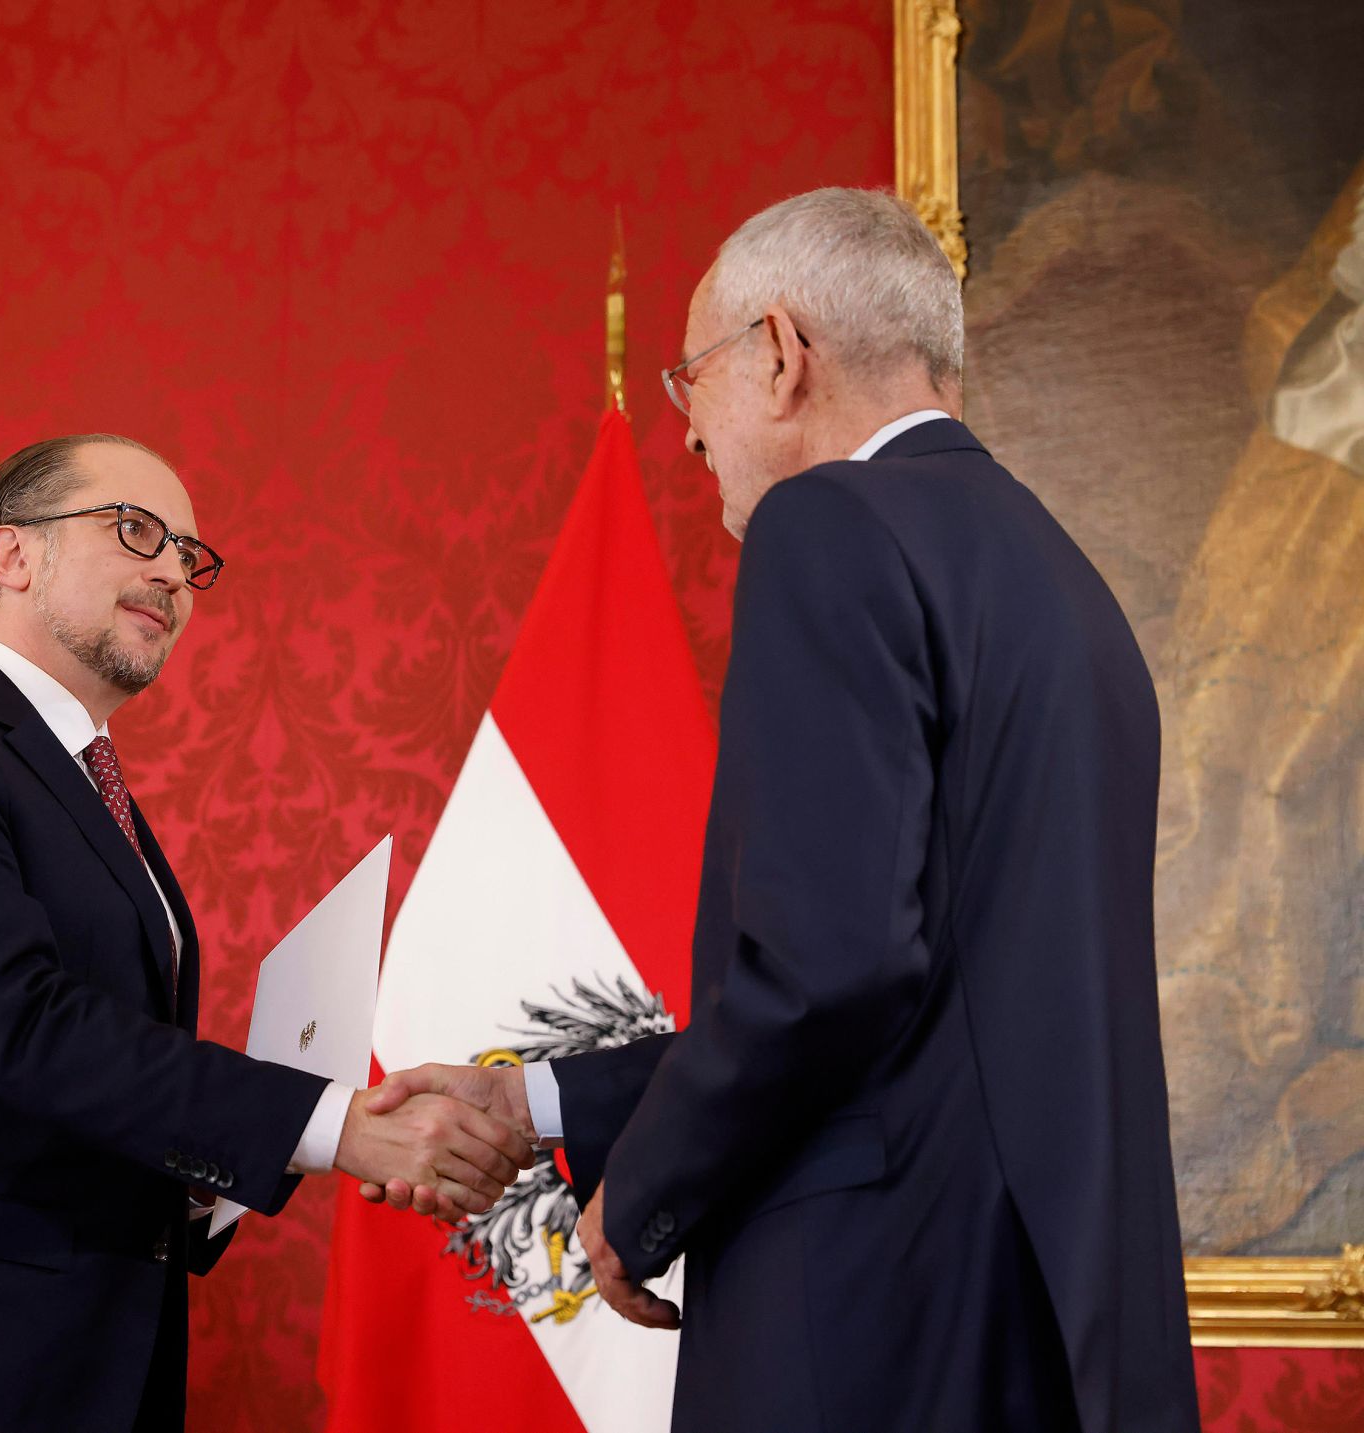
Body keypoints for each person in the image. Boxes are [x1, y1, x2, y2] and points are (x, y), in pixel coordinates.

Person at [368, 189, 1201, 1432]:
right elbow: (922, 999)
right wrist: (533, 1102)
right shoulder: (1061, 579)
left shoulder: (830, 523)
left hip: (871, 1319)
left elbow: (828, 969)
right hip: (1032, 1314)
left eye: (689, 377)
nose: (686, 433)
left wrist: (639, 1193)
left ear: (779, 352)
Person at [0, 434, 532, 1433]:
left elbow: (83, 1088)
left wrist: (221, 1176)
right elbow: (24, 1028)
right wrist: (337, 1125)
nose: (174, 575)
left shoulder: (88, 784)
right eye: (135, 530)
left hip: (76, 1364)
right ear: (13, 555)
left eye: (189, 554)